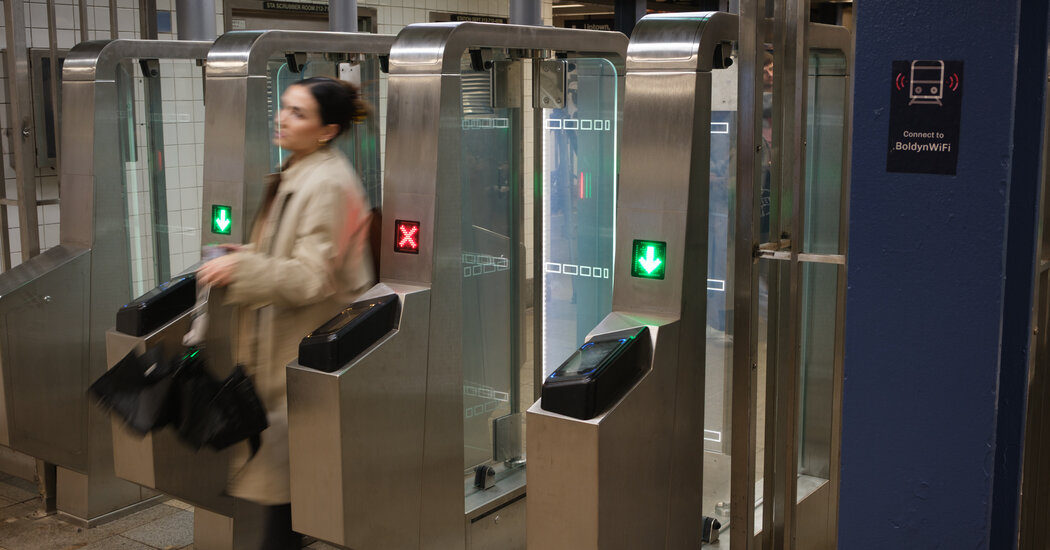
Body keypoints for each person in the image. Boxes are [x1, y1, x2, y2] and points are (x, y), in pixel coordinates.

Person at [197, 76, 375, 549]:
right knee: (287, 487)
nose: (282, 117)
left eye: (298, 112)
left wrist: (245, 266)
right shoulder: (300, 169)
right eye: (284, 107)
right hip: (283, 350)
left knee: (288, 489)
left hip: (304, 353)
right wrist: (248, 252)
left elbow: (312, 276)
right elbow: (289, 250)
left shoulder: (328, 183)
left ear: (327, 130)